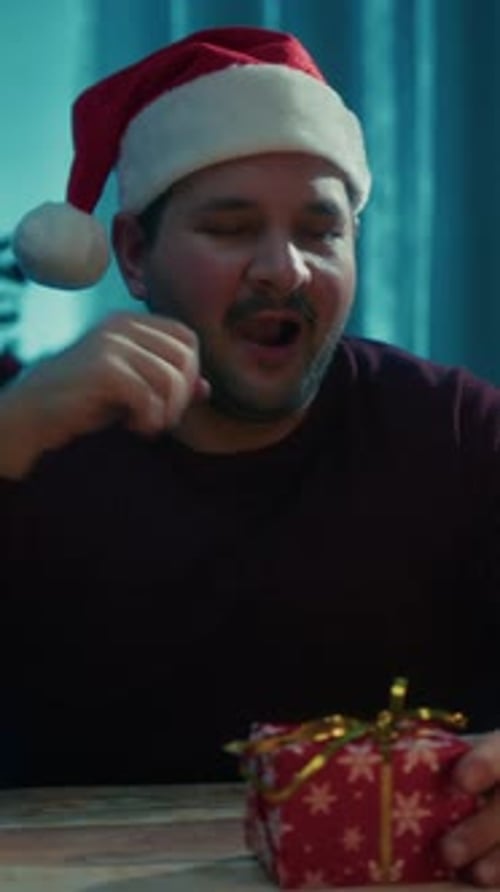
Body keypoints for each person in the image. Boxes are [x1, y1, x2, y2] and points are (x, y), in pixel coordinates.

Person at [1, 25, 500, 885]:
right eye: (231, 229)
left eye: (321, 231)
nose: (285, 270)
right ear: (133, 255)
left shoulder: (453, 429)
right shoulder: (36, 440)